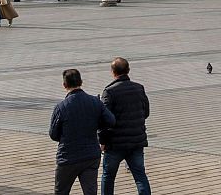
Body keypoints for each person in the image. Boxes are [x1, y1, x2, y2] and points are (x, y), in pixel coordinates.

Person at [50, 68, 115, 195]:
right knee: (90, 192)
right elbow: (111, 120)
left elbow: (53, 134)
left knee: (61, 191)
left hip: (68, 157)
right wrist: (96, 125)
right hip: (90, 155)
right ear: (81, 82)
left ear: (64, 85)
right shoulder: (95, 102)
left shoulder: (61, 107)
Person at [99, 57, 152, 195]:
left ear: (113, 72)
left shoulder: (109, 91)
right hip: (136, 141)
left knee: (108, 177)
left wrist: (102, 141)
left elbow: (104, 119)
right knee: (140, 176)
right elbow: (146, 112)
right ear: (128, 70)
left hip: (115, 144)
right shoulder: (139, 88)